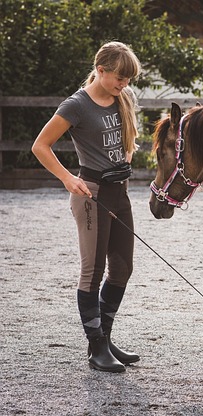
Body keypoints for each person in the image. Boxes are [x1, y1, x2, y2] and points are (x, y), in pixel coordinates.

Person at [32, 41, 142, 373]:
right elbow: (41, 145)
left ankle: (105, 339)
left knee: (123, 268)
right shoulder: (77, 105)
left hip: (119, 192)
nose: (124, 85)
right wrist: (67, 179)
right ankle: (96, 350)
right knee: (92, 272)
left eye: (128, 80)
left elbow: (127, 142)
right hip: (91, 194)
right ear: (100, 70)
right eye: (119, 78)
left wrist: (126, 158)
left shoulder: (122, 98)